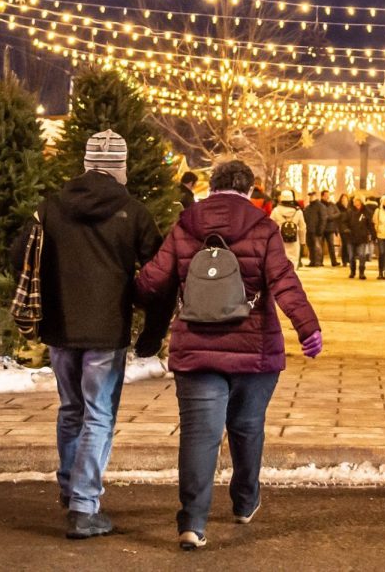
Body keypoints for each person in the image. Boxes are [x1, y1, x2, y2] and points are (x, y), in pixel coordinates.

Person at [136, 159, 322, 551]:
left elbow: (153, 280)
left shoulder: (185, 223)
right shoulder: (262, 227)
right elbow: (284, 280)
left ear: (212, 186)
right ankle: (244, 501)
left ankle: (192, 522)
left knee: (199, 436)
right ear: (250, 190)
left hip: (195, 347)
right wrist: (308, 327)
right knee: (247, 426)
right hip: (254, 349)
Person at [11, 129, 168, 540]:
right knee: (98, 413)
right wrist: (152, 329)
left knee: (70, 409)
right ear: (122, 167)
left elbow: (19, 256)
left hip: (59, 326)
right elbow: (157, 276)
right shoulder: (133, 212)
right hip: (106, 329)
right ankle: (84, 505)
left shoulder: (50, 208)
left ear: (84, 164)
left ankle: (70, 488)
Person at [269, 189, 306, 268]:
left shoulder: (276, 211)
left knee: (280, 260)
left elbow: (270, 226)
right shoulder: (298, 211)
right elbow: (303, 227)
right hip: (294, 240)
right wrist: (303, 241)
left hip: (279, 239)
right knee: (293, 259)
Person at [346, 195, 375, 279]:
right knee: (351, 256)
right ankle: (352, 271)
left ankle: (362, 272)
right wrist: (346, 229)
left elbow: (370, 225)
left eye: (358, 201)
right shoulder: (349, 212)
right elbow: (344, 222)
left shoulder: (367, 212)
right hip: (351, 237)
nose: (356, 202)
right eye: (355, 201)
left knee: (362, 255)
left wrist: (373, 235)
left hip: (362, 237)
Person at [319, 189, 341, 266]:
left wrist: (330, 217)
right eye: (326, 195)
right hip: (321, 228)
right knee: (320, 246)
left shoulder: (332, 204)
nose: (327, 197)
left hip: (330, 228)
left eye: (328, 195)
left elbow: (338, 213)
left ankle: (334, 261)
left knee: (331, 245)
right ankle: (320, 261)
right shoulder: (319, 205)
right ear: (322, 196)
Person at [303, 191, 324, 266]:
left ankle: (318, 262)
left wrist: (320, 230)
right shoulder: (308, 207)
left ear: (315, 196)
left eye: (312, 195)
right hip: (309, 230)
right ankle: (312, 261)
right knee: (311, 247)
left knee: (317, 247)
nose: (311, 197)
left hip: (316, 230)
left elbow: (323, 218)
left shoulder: (320, 206)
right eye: (310, 196)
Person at [336, 193, 353, 267]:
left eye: (345, 199)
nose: (344, 200)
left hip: (350, 228)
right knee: (345, 244)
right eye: (343, 199)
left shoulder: (350, 207)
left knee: (349, 244)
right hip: (342, 228)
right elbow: (338, 218)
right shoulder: (338, 207)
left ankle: (348, 259)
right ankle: (345, 260)